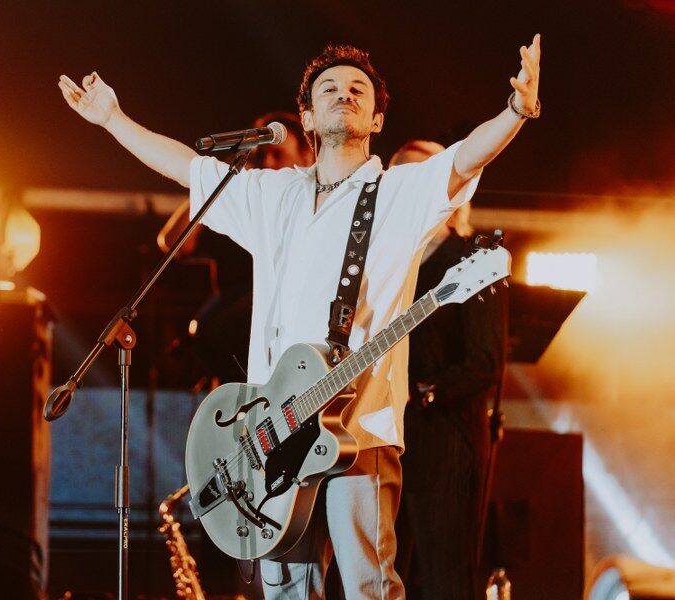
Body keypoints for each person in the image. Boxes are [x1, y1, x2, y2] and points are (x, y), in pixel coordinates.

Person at [58, 35, 541, 599]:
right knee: (288, 591)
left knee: (369, 586)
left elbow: (465, 156)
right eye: (329, 88)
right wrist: (112, 119)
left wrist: (517, 109)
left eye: (358, 89)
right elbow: (189, 168)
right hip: (271, 431)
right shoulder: (273, 194)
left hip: (360, 428)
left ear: (377, 119)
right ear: (307, 117)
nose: (344, 94)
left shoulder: (398, 193)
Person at [390, 140, 507, 599]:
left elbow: (485, 360)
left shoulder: (472, 259)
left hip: (445, 438)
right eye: (400, 177)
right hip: (384, 436)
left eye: (422, 174)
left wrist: (427, 391)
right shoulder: (384, 261)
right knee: (378, 572)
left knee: (447, 577)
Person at [157, 113, 313, 385]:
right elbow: (174, 242)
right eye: (262, 155)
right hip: (232, 352)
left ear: (307, 158)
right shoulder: (242, 201)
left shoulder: (314, 207)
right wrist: (218, 181)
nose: (269, 163)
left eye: (278, 155)